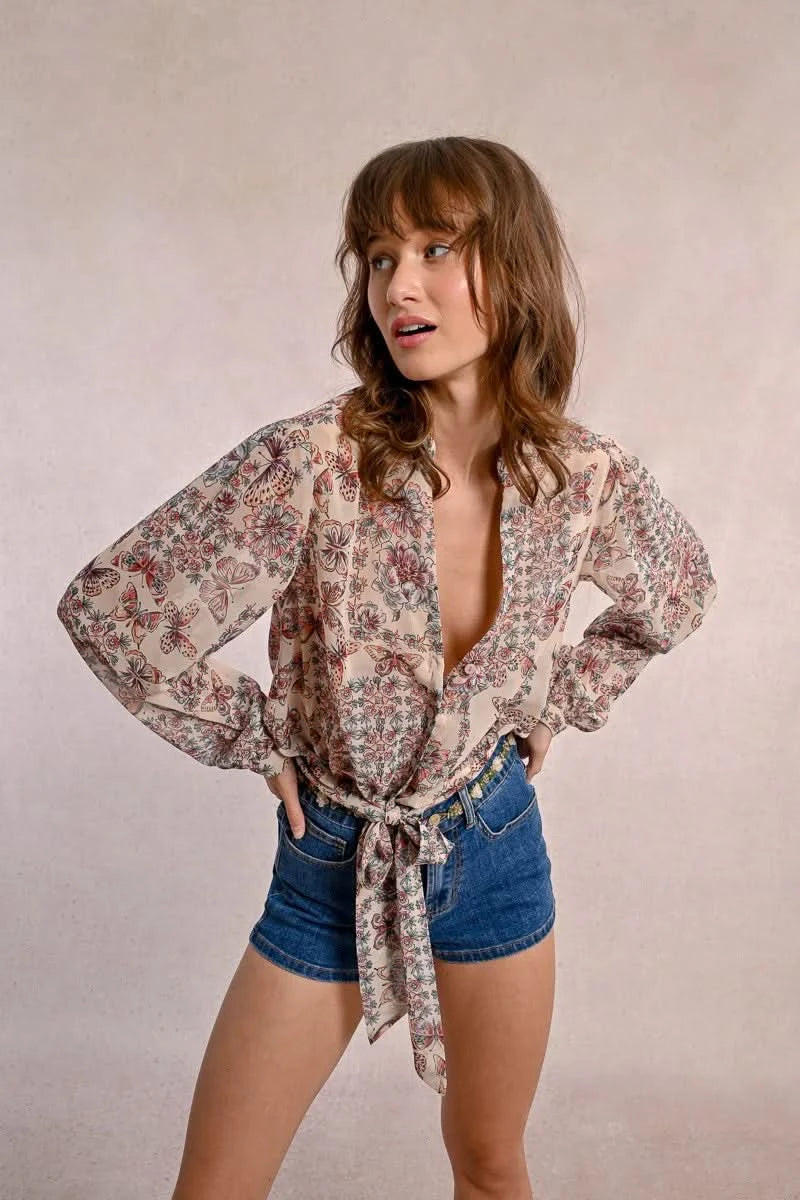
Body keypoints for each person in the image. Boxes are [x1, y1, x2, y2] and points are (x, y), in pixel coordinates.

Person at [56, 135, 718, 1200]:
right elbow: (112, 612)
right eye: (375, 256)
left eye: (435, 246)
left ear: (516, 269)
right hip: (331, 860)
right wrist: (253, 734)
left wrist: (558, 698)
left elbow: (676, 589)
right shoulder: (308, 466)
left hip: (495, 846)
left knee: (492, 1166)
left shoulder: (584, 478)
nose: (396, 285)